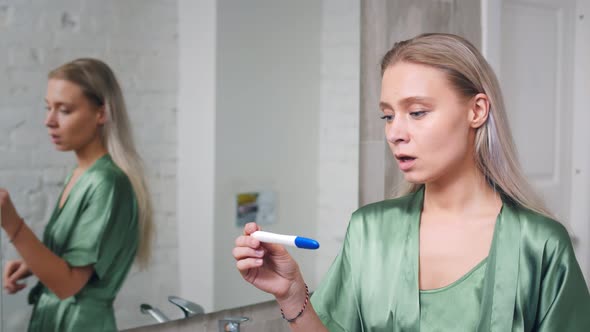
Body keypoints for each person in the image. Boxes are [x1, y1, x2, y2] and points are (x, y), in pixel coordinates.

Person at [233, 33, 590, 331]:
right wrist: (293, 294)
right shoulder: (370, 231)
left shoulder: (539, 244)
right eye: (388, 115)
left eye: (417, 112)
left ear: (476, 111)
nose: (395, 133)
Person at [0, 58, 154, 332]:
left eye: (65, 110)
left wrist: (12, 223)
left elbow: (69, 284)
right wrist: (33, 264)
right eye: (48, 108)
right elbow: (73, 263)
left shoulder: (107, 182)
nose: (49, 121)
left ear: (101, 113)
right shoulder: (81, 174)